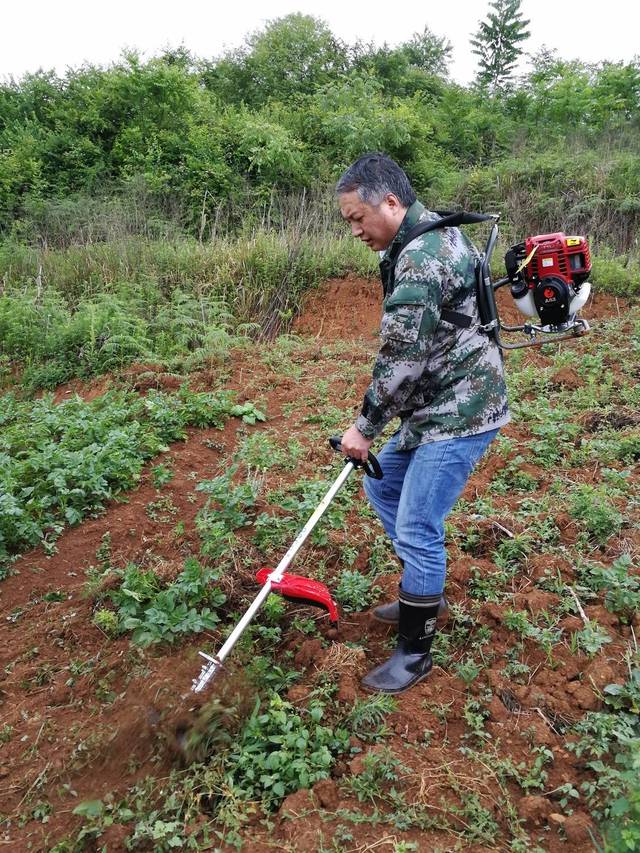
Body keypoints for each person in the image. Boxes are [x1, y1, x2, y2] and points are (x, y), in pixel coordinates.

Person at [336, 153, 510, 694]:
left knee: (416, 525)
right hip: (435, 402)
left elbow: (401, 358)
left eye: (357, 219)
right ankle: (422, 584)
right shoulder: (429, 236)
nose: (356, 231)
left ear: (390, 202)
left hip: (461, 409)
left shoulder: (422, 255)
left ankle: (416, 653)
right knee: (385, 487)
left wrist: (363, 428)